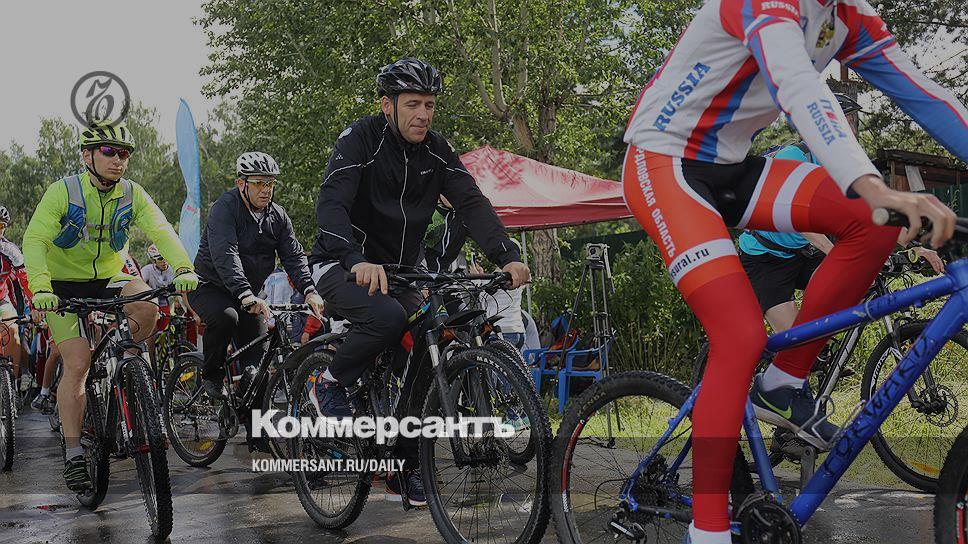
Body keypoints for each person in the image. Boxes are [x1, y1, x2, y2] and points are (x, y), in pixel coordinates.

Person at [621, 1, 967, 541]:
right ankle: (707, 532)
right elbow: (799, 87)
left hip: (732, 168)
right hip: (663, 162)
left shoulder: (849, 15)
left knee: (874, 224)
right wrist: (871, 184)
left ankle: (783, 382)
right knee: (739, 336)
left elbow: (925, 94)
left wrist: (877, 199)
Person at [309, 58, 531, 507]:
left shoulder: (437, 150)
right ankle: (329, 383)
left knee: (431, 348)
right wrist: (355, 259)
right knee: (387, 317)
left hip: (402, 271)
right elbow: (331, 205)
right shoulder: (359, 139)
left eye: (429, 105)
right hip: (340, 263)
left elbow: (471, 202)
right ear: (387, 105)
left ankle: (405, 462)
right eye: (413, 104)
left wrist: (507, 255)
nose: (423, 114)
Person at [23, 119, 199, 493]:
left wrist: (183, 267)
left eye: (124, 154)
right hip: (61, 285)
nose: (118, 160)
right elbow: (35, 239)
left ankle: (120, 363)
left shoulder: (133, 193)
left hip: (107, 277)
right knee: (77, 363)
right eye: (109, 152)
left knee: (148, 308)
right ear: (87, 156)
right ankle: (74, 455)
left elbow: (161, 230)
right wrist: (40, 287)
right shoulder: (63, 191)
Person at [740, 95, 944, 333]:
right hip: (766, 258)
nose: (851, 130)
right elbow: (797, 220)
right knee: (795, 340)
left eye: (852, 123)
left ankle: (830, 350)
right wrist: (835, 253)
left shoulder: (846, 166)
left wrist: (915, 246)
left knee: (855, 290)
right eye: (842, 123)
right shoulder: (794, 158)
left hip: (804, 253)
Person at [190, 151, 325, 451]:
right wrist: (245, 293)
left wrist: (310, 290)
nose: (266, 190)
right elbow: (226, 255)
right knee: (226, 317)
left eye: (271, 183)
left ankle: (258, 435)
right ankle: (212, 375)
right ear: (242, 184)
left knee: (259, 363)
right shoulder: (225, 208)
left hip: (249, 293)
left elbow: (293, 257)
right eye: (259, 183)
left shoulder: (278, 217)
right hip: (211, 286)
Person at [0, 206, 30, 383]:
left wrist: (35, 304)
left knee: (13, 330)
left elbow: (25, 278)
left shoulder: (9, 250)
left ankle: (11, 384)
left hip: (1, 300)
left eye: (0, 226)